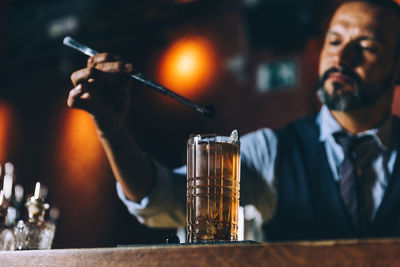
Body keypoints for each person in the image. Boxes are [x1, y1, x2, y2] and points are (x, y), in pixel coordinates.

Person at [67, 0, 400, 241]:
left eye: (367, 46)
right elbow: (165, 199)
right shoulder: (272, 150)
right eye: (335, 41)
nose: (341, 58)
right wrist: (111, 129)